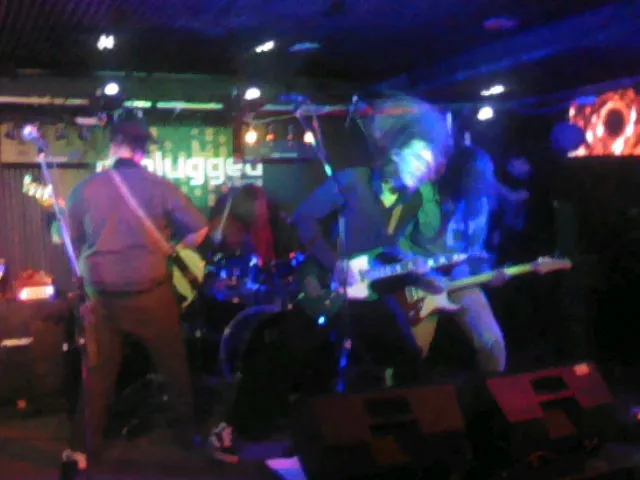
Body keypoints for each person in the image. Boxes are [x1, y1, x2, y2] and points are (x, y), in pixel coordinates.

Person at [59, 119, 210, 472]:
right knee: (173, 366)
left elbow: (72, 241)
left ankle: (81, 450)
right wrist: (174, 246)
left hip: (102, 296)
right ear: (142, 152)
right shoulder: (160, 186)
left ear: (114, 146)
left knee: (97, 373)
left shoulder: (85, 188)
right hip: (150, 294)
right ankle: (188, 436)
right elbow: (201, 228)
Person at [407, 145, 507, 373]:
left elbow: (473, 258)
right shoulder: (426, 199)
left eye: (489, 174)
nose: (489, 182)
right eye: (481, 176)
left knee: (493, 347)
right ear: (461, 177)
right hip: (417, 284)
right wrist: (423, 276)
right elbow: (397, 247)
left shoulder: (481, 205)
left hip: (458, 281)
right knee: (410, 355)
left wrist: (488, 273)